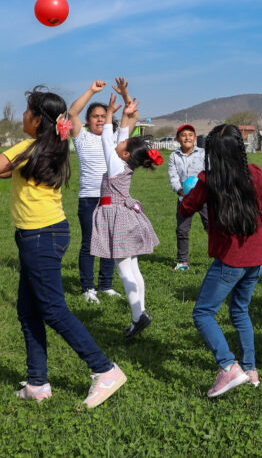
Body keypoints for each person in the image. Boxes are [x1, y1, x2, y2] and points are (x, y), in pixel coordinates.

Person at [0, 87, 125, 410]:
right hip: (45, 234)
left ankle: (104, 369)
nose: (22, 116)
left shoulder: (29, 148)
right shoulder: (46, 148)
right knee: (29, 310)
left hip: (40, 237)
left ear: (37, 119)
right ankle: (37, 383)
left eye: (26, 111)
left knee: (52, 309)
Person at [180, 124, 262, 398]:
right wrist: (259, 240)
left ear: (212, 152)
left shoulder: (209, 180)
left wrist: (190, 190)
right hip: (255, 258)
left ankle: (228, 366)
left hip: (230, 261)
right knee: (240, 311)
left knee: (203, 313)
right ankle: (250, 369)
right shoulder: (253, 173)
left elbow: (186, 207)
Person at [90, 80, 161, 340]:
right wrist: (124, 103)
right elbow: (120, 137)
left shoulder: (116, 164)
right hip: (126, 215)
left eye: (125, 144)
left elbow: (109, 140)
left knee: (123, 269)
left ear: (125, 155)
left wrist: (109, 113)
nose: (122, 141)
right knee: (133, 268)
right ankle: (139, 314)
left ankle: (137, 317)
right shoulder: (124, 162)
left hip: (117, 217)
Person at [67, 80, 122, 303]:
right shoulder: (82, 138)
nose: (100, 119)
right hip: (89, 198)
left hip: (111, 197)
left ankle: (106, 285)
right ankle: (88, 288)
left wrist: (124, 98)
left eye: (103, 116)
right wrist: (92, 91)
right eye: (95, 116)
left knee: (109, 242)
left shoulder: (114, 139)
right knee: (89, 242)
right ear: (88, 121)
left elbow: (130, 116)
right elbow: (72, 112)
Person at [167, 124, 208, 271]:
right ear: (178, 139)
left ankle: (221, 257)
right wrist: (180, 191)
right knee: (182, 230)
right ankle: (183, 261)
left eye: (190, 135)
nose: (187, 137)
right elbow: (173, 176)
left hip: (204, 198)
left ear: (195, 138)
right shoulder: (174, 156)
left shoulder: (203, 153)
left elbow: (210, 172)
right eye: (183, 135)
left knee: (212, 227)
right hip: (184, 199)